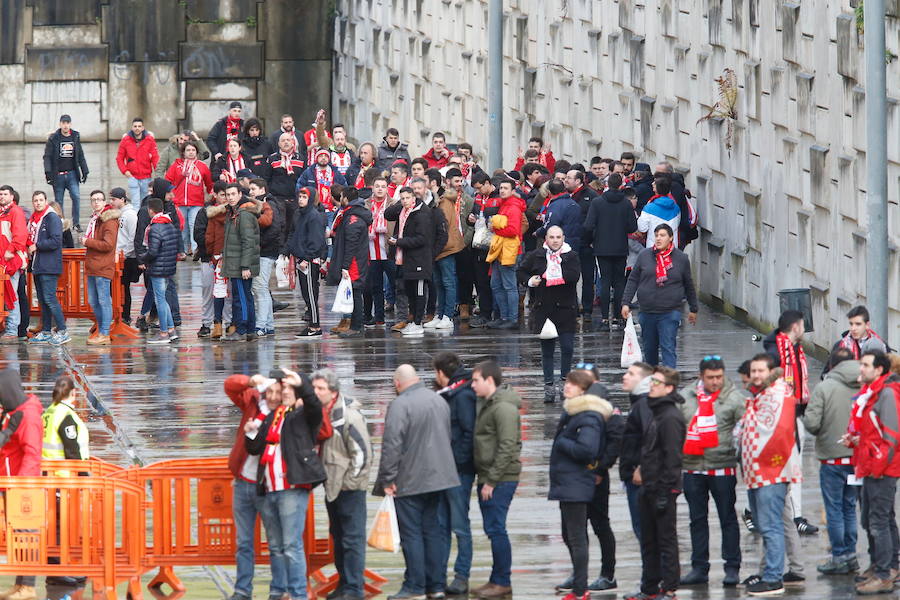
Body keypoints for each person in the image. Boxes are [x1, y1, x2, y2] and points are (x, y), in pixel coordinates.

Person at [377, 365, 459, 600]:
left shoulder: (400, 405)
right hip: (440, 478)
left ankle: (414, 586)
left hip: (411, 479)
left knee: (411, 534)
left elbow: (392, 445)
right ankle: (436, 585)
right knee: (433, 532)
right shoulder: (437, 400)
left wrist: (387, 479)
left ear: (397, 383)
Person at [245, 369, 326, 600]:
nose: (286, 393)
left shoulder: (302, 415)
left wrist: (302, 384)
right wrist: (250, 432)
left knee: (291, 546)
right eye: (284, 389)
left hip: (291, 489)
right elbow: (255, 448)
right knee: (276, 547)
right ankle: (278, 591)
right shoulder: (274, 415)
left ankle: (298, 593)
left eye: (290, 389)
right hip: (269, 489)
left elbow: (314, 405)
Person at [677, 356, 745, 587]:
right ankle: (699, 568)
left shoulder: (734, 399)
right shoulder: (686, 397)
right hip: (693, 467)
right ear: (701, 376)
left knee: (727, 518)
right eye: (710, 378)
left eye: (719, 377)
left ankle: (732, 567)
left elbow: (746, 430)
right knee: (697, 520)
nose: (715, 382)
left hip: (722, 467)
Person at [739, 354, 802, 596]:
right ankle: (768, 572)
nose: (755, 375)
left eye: (760, 371)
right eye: (753, 371)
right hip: (759, 472)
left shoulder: (775, 394)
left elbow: (773, 430)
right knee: (768, 525)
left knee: (771, 525)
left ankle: (774, 577)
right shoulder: (766, 394)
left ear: (770, 372)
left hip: (770, 471)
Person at [549, 370, 613, 600]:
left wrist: (563, 442)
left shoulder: (588, 415)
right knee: (569, 534)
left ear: (583, 390)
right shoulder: (574, 412)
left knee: (576, 537)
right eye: (567, 382)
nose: (567, 387)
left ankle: (580, 589)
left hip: (576, 482)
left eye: (573, 384)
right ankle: (579, 583)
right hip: (567, 482)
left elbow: (587, 450)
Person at [625, 366, 686, 600]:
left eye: (657, 383)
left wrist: (666, 491)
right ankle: (649, 587)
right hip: (648, 486)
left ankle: (669, 588)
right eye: (652, 382)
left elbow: (673, 459)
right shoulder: (656, 412)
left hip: (662, 489)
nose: (652, 386)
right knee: (649, 540)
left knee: (666, 540)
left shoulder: (670, 416)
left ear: (669, 388)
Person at [843, 351, 900, 595]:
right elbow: (874, 434)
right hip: (872, 466)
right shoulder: (876, 393)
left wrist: (876, 468)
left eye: (865, 365)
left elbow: (891, 436)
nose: (861, 369)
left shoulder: (886, 394)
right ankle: (881, 566)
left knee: (878, 521)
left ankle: (884, 574)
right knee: (875, 519)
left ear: (879, 370)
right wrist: (856, 441)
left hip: (881, 469)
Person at [312, 369, 372, 600]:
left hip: (349, 488)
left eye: (321, 389)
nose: (316, 393)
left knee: (352, 539)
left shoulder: (350, 416)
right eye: (314, 388)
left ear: (333, 391)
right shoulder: (321, 412)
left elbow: (363, 454)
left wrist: (350, 483)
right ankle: (344, 584)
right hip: (332, 486)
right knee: (338, 537)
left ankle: (355, 588)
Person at [802, 348, 860, 575]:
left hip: (832, 459)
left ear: (832, 365)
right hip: (856, 459)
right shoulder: (865, 385)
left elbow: (812, 423)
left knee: (834, 509)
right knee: (849, 508)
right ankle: (852, 555)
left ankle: (839, 557)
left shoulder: (825, 387)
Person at [470, 361, 522, 599]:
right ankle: (496, 579)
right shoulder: (488, 403)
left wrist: (491, 480)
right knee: (493, 529)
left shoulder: (503, 408)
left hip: (500, 478)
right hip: (489, 475)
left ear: (489, 381)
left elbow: (507, 446)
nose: (472, 385)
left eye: (476, 380)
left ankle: (502, 581)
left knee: (496, 528)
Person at [763, 309, 817, 534]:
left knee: (785, 467)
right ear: (796, 327)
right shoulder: (776, 354)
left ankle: (755, 510)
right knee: (786, 467)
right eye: (803, 326)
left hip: (795, 415)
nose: (804, 330)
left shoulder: (794, 349)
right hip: (782, 419)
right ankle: (796, 517)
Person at [224, 372, 276, 600]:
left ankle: (278, 589)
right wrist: (250, 381)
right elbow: (229, 386)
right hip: (244, 480)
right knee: (244, 542)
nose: (272, 396)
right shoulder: (253, 399)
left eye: (277, 392)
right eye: (269, 391)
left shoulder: (287, 412)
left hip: (269, 484)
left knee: (276, 542)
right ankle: (242, 590)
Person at [517, 225, 580, 402]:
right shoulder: (536, 255)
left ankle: (564, 383)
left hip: (566, 308)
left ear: (563, 238)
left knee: (567, 348)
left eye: (558, 237)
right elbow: (520, 271)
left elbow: (574, 276)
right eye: (551, 237)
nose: (555, 240)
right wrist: (529, 280)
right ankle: (549, 386)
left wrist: (554, 275)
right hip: (544, 309)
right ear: (546, 239)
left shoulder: (571, 256)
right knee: (547, 351)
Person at [621, 224, 698, 367]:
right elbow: (633, 279)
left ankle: (669, 384)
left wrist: (693, 308)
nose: (658, 238)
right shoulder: (645, 255)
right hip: (647, 311)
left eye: (662, 235)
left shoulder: (681, 258)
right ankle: (652, 383)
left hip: (670, 312)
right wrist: (626, 302)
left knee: (668, 347)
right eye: (656, 235)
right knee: (649, 351)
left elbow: (688, 284)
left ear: (671, 238)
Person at [433, 352, 478, 596]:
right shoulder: (457, 392)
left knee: (459, 525)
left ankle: (461, 575)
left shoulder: (461, 396)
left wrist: (456, 462)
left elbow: (468, 433)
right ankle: (440, 575)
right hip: (448, 469)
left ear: (442, 373)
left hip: (458, 471)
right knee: (442, 524)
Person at [0, 369, 43, 600]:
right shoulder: (13, 412)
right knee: (19, 535)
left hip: (22, 486)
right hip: (11, 482)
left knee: (27, 535)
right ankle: (20, 585)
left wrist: (21, 484)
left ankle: (28, 586)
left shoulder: (27, 415)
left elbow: (32, 453)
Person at [582, 172, 638, 330]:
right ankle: (619, 317)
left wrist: (592, 239)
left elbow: (588, 225)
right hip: (620, 247)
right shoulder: (626, 204)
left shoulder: (598, 202)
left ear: (607, 185)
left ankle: (605, 319)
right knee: (620, 283)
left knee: (605, 282)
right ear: (621, 185)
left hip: (602, 247)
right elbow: (633, 227)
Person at [133, 179, 184, 332]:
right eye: (169, 192)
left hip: (164, 256)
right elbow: (140, 234)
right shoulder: (147, 209)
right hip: (152, 256)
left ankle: (171, 321)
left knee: (165, 289)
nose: (172, 195)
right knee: (154, 289)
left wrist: (180, 249)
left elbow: (176, 230)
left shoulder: (169, 207)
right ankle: (155, 319)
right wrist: (141, 258)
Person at [385, 187, 433, 336]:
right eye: (402, 198)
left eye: (407, 198)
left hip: (419, 259)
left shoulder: (422, 213)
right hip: (406, 259)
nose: (405, 201)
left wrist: (399, 242)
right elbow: (388, 214)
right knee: (409, 292)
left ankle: (418, 322)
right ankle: (412, 321)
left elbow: (422, 239)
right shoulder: (403, 210)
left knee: (419, 293)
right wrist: (399, 204)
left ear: (414, 198)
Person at [326, 187, 372, 338]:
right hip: (355, 260)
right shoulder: (352, 214)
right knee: (355, 292)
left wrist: (345, 266)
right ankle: (355, 325)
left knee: (356, 292)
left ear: (345, 198)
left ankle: (356, 327)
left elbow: (351, 244)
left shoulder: (353, 218)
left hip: (354, 263)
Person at [617, 362, 654, 542]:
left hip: (640, 478)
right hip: (635, 475)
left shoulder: (644, 404)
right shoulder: (639, 402)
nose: (625, 376)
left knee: (645, 531)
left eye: (631, 374)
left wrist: (641, 467)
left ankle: (655, 570)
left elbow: (650, 437)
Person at [27, 190, 68, 345]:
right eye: (35, 200)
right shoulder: (34, 219)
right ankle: (46, 331)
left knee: (50, 298)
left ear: (46, 201)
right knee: (43, 300)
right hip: (37, 265)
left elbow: (56, 241)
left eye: (40, 200)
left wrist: (36, 245)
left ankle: (63, 330)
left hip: (49, 265)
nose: (38, 203)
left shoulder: (52, 218)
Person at [220, 184, 260, 341]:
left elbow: (248, 242)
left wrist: (245, 266)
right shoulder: (235, 213)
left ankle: (242, 329)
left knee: (241, 298)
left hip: (240, 265)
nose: (229, 197)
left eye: (232, 194)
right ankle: (250, 329)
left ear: (240, 194)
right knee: (245, 297)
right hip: (236, 263)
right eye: (227, 194)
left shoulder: (243, 215)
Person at [286, 187, 326, 338]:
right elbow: (294, 234)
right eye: (300, 196)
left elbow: (316, 240)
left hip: (308, 261)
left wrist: (307, 258)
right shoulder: (299, 214)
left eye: (304, 197)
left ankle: (315, 326)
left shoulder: (314, 216)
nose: (301, 199)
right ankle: (312, 323)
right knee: (305, 293)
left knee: (311, 293)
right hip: (300, 258)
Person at [82, 190, 120, 346]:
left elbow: (108, 245)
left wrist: (87, 242)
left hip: (103, 266)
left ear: (105, 202)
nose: (96, 202)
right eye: (93, 200)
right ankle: (101, 330)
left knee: (104, 300)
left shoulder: (109, 220)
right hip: (93, 265)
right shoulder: (96, 219)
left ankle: (104, 332)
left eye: (99, 199)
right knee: (94, 300)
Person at [485, 180, 525, 329]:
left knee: (508, 285)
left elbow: (513, 230)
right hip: (500, 250)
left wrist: (494, 229)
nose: (502, 190)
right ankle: (504, 317)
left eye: (506, 188)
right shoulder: (505, 205)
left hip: (509, 251)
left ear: (512, 190)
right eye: (501, 188)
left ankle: (512, 319)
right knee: (496, 284)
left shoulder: (513, 207)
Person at [140, 198, 179, 344]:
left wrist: (143, 258)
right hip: (168, 267)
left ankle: (163, 333)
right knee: (163, 299)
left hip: (158, 268)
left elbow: (153, 251)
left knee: (160, 300)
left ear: (151, 210)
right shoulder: (169, 224)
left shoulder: (155, 227)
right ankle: (171, 330)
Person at [248, 179, 284, 337]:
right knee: (261, 288)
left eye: (253, 189)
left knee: (259, 288)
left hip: (266, 251)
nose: (251, 192)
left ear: (262, 189)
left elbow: (275, 228)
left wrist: (259, 243)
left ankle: (261, 325)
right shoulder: (262, 203)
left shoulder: (269, 204)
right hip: (265, 251)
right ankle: (268, 325)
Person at [165, 140, 213, 255]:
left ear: (196, 152)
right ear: (183, 152)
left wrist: (210, 194)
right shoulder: (176, 165)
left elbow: (209, 183)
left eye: (193, 150)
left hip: (196, 202)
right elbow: (167, 181)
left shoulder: (202, 166)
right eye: (188, 150)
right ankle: (185, 250)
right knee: (183, 227)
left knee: (194, 226)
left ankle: (196, 250)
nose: (191, 153)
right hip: (179, 202)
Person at [43, 114, 88, 230]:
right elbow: (47, 156)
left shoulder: (75, 136)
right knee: (59, 201)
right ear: (60, 124)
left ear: (70, 124)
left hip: (72, 173)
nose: (65, 125)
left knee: (76, 197)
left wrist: (85, 170)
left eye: (67, 123)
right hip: (58, 175)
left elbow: (80, 155)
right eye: (63, 123)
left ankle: (76, 223)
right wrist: (48, 173)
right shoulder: (54, 138)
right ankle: (60, 223)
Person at [563, 169, 599, 317]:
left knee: (587, 278)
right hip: (569, 243)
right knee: (570, 277)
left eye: (569, 178)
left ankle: (587, 308)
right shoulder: (565, 197)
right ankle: (572, 306)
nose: (566, 180)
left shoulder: (591, 196)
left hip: (586, 244)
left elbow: (597, 221)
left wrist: (593, 240)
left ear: (578, 181)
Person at [202, 182, 232, 339]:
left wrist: (211, 254)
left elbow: (209, 237)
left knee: (218, 291)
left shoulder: (213, 215)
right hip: (232, 256)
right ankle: (232, 324)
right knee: (233, 293)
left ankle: (217, 324)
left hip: (218, 256)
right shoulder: (235, 213)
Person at [0, 185, 28, 343]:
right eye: (0, 194)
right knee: (6, 295)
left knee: (11, 295)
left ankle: (12, 329)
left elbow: (20, 235)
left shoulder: (15, 211)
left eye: (5, 194)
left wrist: (11, 250)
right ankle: (10, 327)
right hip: (3, 261)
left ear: (12, 196)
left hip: (11, 261)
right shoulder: (3, 212)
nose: (2, 196)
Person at [41, 375, 89, 464]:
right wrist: (83, 473)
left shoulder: (49, 411)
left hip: (47, 468)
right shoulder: (65, 415)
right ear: (73, 392)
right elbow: (71, 449)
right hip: (64, 471)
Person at [109, 187, 139, 326]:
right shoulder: (118, 214)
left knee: (123, 288)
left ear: (122, 199)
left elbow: (133, 237)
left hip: (126, 257)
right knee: (116, 287)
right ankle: (120, 315)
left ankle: (125, 316)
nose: (111, 202)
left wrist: (125, 254)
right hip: (117, 255)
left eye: (114, 199)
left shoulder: (130, 215)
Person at [116, 117, 159, 204]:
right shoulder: (125, 140)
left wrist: (158, 173)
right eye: (135, 126)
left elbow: (155, 158)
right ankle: (136, 217)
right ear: (132, 127)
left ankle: (143, 217)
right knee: (135, 203)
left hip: (146, 176)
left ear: (143, 128)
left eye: (139, 126)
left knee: (146, 202)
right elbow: (119, 158)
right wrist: (125, 171)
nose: (137, 128)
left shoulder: (150, 140)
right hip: (132, 176)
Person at [637, 177, 681, 249]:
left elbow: (642, 228)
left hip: (653, 248)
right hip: (672, 249)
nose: (652, 183)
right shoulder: (676, 208)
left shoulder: (649, 207)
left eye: (654, 183)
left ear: (656, 189)